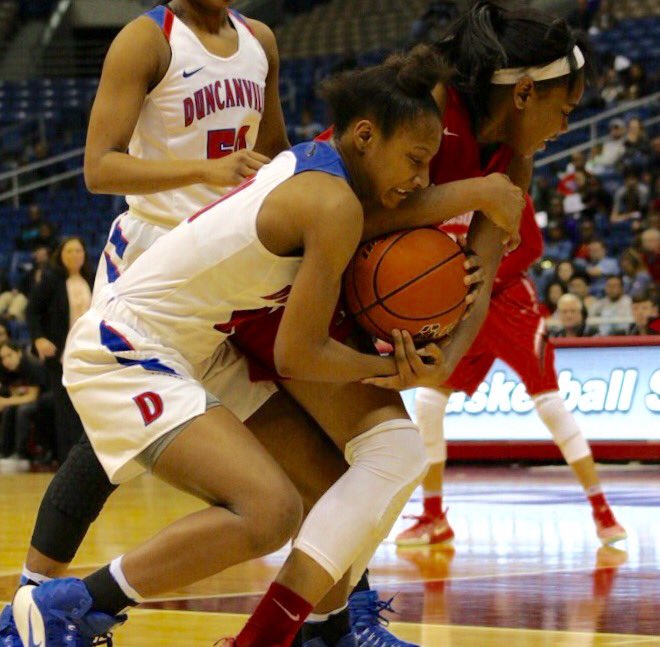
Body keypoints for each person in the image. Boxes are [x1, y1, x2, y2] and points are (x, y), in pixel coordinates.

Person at [11, 49, 470, 647]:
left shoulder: (313, 163)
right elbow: (295, 357)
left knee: (332, 493)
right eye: (415, 160)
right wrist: (393, 370)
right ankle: (68, 607)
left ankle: (321, 634)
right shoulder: (330, 206)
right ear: (364, 136)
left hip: (199, 346)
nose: (422, 181)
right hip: (129, 346)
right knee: (269, 511)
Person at [0, 0, 295, 643]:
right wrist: (202, 170)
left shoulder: (260, 40)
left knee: (303, 439)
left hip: (229, 258)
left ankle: (332, 618)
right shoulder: (147, 40)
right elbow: (98, 167)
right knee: (107, 453)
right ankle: (31, 605)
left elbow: (276, 153)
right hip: (153, 257)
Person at [396, 0, 625, 550]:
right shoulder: (436, 122)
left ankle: (603, 512)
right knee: (427, 403)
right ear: (522, 93)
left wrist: (474, 270)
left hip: (508, 296)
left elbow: (527, 244)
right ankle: (433, 514)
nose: (565, 125)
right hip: (467, 292)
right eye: (565, 109)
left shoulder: (512, 162)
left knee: (550, 403)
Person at [26, 237, 93, 464]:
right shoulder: (51, 280)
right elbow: (32, 310)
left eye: (78, 250)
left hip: (92, 352)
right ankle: (70, 460)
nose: (75, 255)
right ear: (60, 255)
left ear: (84, 254)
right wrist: (38, 338)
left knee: (91, 406)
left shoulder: (92, 278)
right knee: (66, 410)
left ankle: (95, 459)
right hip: (62, 354)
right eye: (69, 251)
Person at [0, 341, 50, 472]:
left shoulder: (31, 365)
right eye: (3, 358)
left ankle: (21, 455)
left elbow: (33, 397)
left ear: (19, 353)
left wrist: (5, 401)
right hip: (27, 399)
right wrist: (8, 401)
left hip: (45, 400)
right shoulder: (6, 369)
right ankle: (5, 452)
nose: (6, 361)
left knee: (23, 410)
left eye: (9, 355)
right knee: (9, 410)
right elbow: (13, 393)